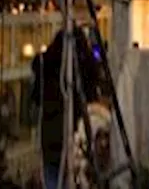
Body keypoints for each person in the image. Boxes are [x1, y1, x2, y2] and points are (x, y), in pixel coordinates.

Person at [30, 23, 102, 189]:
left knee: (54, 179)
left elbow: (35, 100)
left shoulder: (46, 69)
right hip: (74, 141)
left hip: (52, 142)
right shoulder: (84, 72)